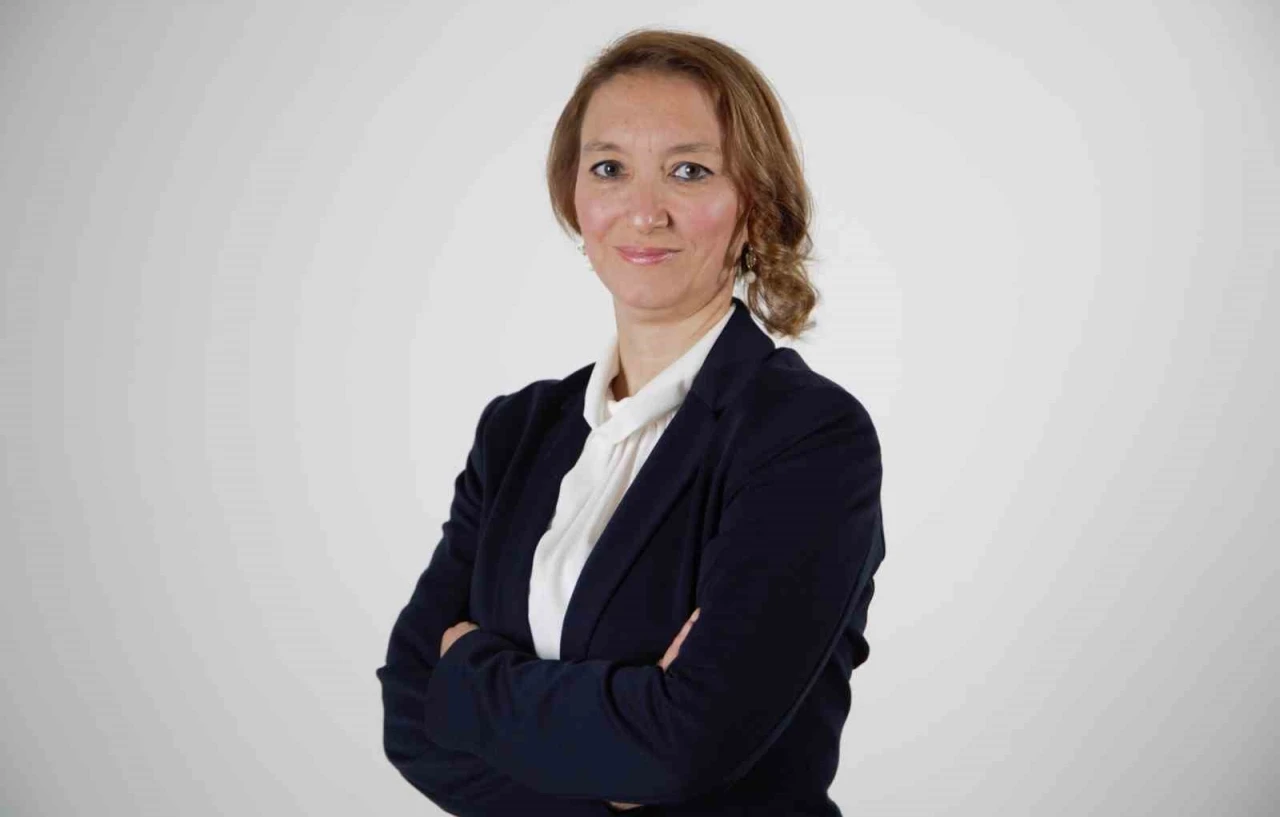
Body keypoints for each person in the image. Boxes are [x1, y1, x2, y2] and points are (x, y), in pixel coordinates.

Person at [376, 27, 886, 816]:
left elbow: (685, 748)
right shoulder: (516, 432)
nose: (644, 212)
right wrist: (618, 762)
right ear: (574, 201)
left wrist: (469, 675)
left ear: (754, 205)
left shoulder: (807, 437)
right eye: (609, 169)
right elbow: (410, 714)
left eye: (689, 170)